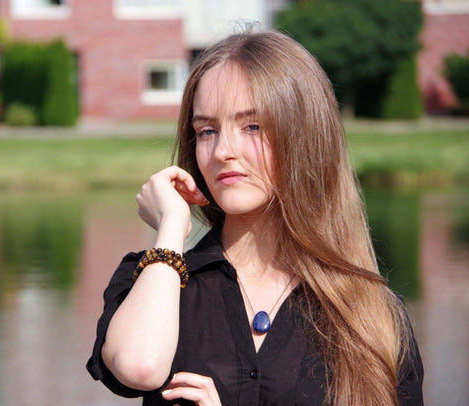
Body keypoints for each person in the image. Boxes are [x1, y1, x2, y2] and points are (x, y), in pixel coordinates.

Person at [86, 30, 423, 405]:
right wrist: (171, 226)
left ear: (305, 135)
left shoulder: (376, 315)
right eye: (207, 131)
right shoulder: (155, 281)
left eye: (252, 126)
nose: (223, 151)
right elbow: (139, 368)